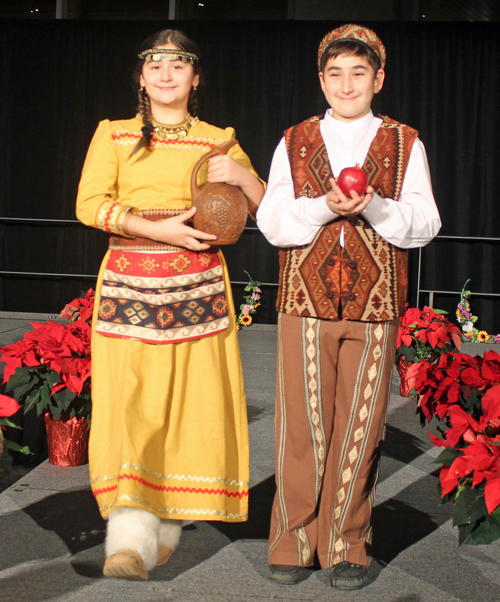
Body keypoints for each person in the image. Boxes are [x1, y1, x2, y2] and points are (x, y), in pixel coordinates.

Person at [257, 24, 441, 590]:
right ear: (321, 79)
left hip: (375, 304)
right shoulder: (293, 139)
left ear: (378, 78)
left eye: (359, 73)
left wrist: (377, 206)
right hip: (304, 301)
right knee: (302, 425)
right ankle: (293, 538)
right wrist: (323, 208)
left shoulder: (406, 142)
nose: (346, 83)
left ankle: (347, 543)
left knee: (360, 429)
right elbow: (272, 223)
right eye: (335, 73)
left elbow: (427, 224)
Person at [76, 29, 264, 580]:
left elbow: (256, 209)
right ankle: (128, 538)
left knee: (190, 407)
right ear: (140, 76)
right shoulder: (112, 135)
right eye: (155, 65)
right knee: (130, 407)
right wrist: (153, 228)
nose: (165, 74)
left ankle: (168, 520)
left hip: (199, 290)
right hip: (130, 284)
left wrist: (242, 177)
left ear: (195, 77)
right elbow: (90, 204)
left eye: (177, 65)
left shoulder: (219, 140)